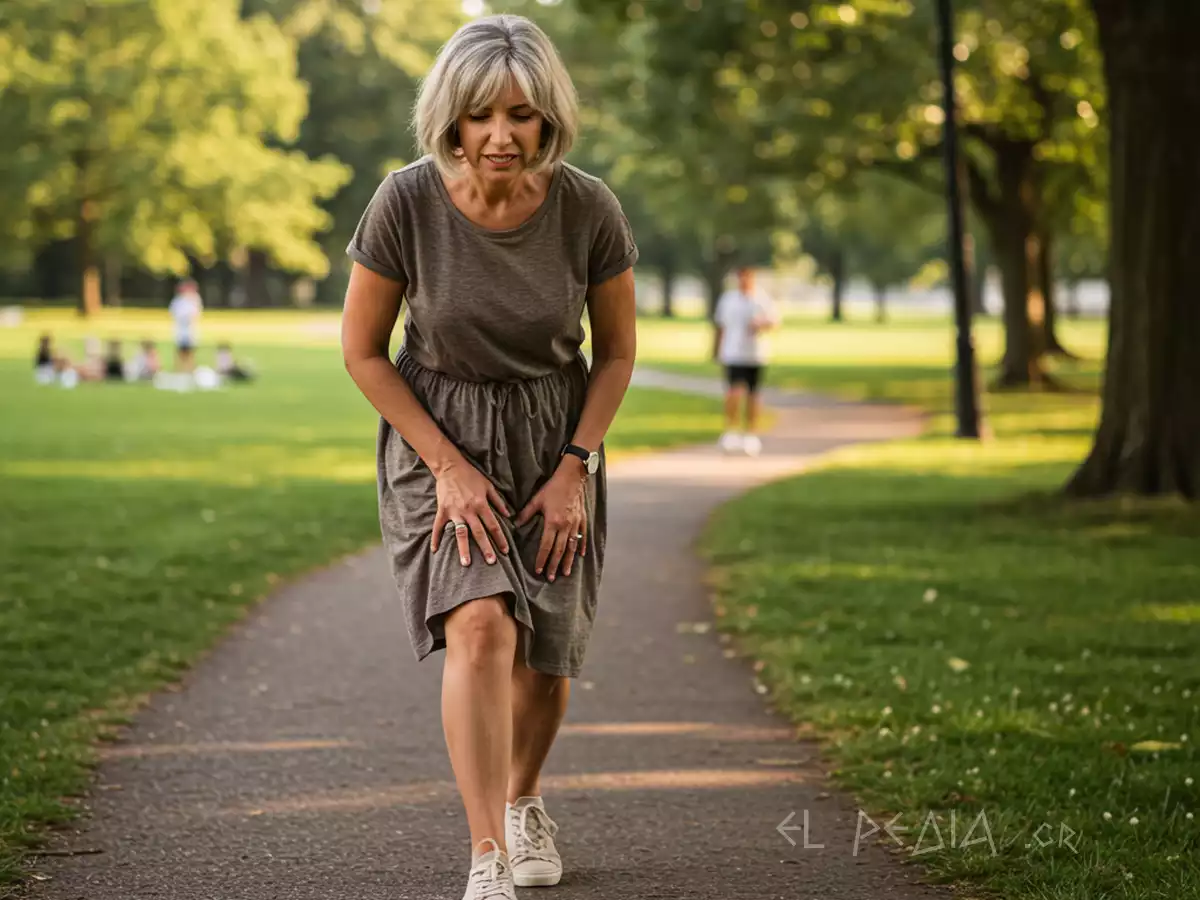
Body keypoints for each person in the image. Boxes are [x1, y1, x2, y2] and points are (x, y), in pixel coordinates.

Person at [340, 15, 638, 900]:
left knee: (543, 652)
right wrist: (449, 466)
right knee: (479, 624)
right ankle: (487, 856)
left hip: (556, 436)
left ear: (548, 117)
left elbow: (616, 352)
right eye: (480, 117)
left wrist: (574, 466)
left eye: (521, 114)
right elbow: (363, 350)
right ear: (451, 119)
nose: (501, 136)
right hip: (438, 431)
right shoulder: (405, 202)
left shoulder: (588, 206)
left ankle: (525, 800)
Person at [712, 266, 781, 456]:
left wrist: (762, 324)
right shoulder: (728, 299)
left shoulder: (761, 299)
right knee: (732, 393)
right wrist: (716, 349)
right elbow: (720, 325)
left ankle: (751, 433)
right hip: (733, 353)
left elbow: (775, 322)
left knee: (753, 394)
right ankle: (730, 431)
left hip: (755, 354)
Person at [168, 279, 203, 372]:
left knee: (190, 352)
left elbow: (195, 314)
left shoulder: (195, 299)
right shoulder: (178, 300)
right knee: (180, 352)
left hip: (190, 331)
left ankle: (190, 370)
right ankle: (179, 370)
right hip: (181, 330)